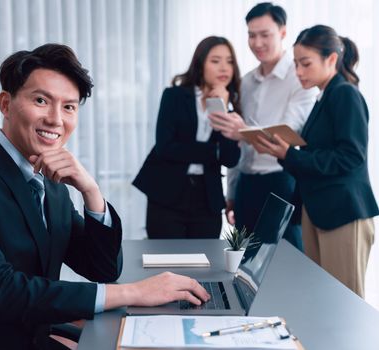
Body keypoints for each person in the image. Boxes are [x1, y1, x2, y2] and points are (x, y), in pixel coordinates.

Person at [0, 44, 210, 350]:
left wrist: (91, 191)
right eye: (41, 100)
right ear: (5, 104)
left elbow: (102, 268)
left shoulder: (50, 181)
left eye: (69, 107)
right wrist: (133, 293)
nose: (56, 119)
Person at [251, 25, 378, 298]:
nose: (298, 72)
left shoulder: (344, 94)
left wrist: (290, 154)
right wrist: (283, 153)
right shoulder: (325, 96)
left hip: (342, 213)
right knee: (324, 299)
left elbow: (350, 157)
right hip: (320, 210)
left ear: (331, 59)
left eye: (305, 64)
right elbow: (317, 156)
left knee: (344, 302)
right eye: (296, 64)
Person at [208, 2, 317, 250]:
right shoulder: (246, 82)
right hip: (246, 184)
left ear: (282, 33)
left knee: (286, 265)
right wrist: (232, 193)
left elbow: (288, 133)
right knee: (245, 263)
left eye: (264, 35)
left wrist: (242, 131)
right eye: (251, 35)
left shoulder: (298, 78)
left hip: (281, 182)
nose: (257, 43)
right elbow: (237, 141)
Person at [133, 36, 241, 239]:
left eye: (229, 61)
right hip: (167, 191)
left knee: (204, 263)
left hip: (206, 196)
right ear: (200, 65)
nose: (224, 68)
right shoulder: (174, 96)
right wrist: (212, 152)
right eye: (216, 61)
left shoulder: (231, 103)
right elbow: (166, 147)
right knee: (166, 260)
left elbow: (230, 158)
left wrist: (222, 109)